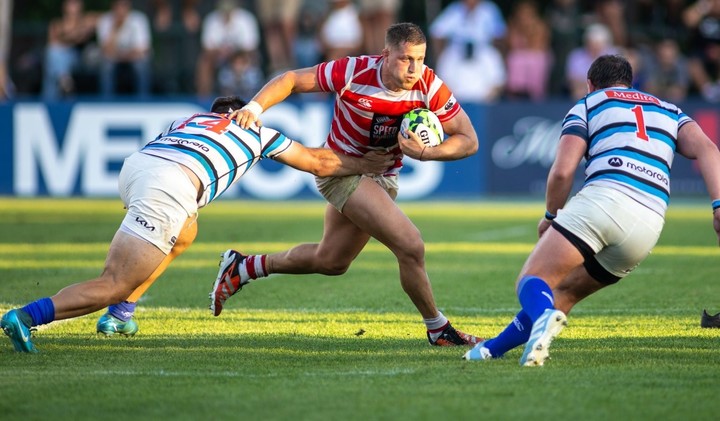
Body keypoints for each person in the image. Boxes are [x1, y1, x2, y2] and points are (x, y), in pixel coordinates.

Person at [0, 96, 394, 353]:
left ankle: (120, 314)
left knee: (186, 230)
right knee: (114, 279)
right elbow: (318, 162)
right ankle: (28, 316)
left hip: (139, 167)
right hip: (170, 186)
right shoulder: (257, 131)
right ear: (244, 111)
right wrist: (366, 165)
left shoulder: (190, 119)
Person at [209, 22, 483, 347]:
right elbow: (292, 80)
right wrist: (253, 108)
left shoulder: (429, 86)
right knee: (411, 246)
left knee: (332, 261)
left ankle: (243, 267)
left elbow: (469, 140)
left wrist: (427, 152)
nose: (414, 69)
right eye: (406, 59)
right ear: (385, 55)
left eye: (420, 59)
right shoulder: (353, 71)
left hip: (384, 177)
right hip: (340, 171)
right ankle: (438, 328)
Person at [463, 54, 720, 366]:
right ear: (630, 82)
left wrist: (551, 216)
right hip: (649, 224)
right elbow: (708, 148)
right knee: (566, 292)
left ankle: (543, 319)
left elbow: (562, 172)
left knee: (532, 278)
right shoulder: (669, 109)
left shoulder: (589, 103)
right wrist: (718, 204)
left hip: (605, 198)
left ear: (590, 84)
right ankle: (493, 349)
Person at [42, 0, 99, 100]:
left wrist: (66, 37)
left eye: (76, 3)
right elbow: (52, 43)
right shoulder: (57, 24)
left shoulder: (87, 19)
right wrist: (76, 35)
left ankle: (50, 98)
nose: (73, 7)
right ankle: (64, 81)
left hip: (80, 60)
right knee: (53, 55)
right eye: (71, 3)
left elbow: (107, 18)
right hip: (62, 60)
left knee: (54, 58)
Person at [96, 0, 152, 98]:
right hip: (114, 58)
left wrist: (122, 55)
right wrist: (115, 28)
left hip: (133, 58)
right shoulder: (105, 20)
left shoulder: (139, 19)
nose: (121, 8)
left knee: (141, 65)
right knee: (106, 65)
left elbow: (143, 49)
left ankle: (143, 101)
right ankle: (106, 102)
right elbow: (105, 49)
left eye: (124, 5)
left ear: (129, 6)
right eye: (118, 5)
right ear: (113, 6)